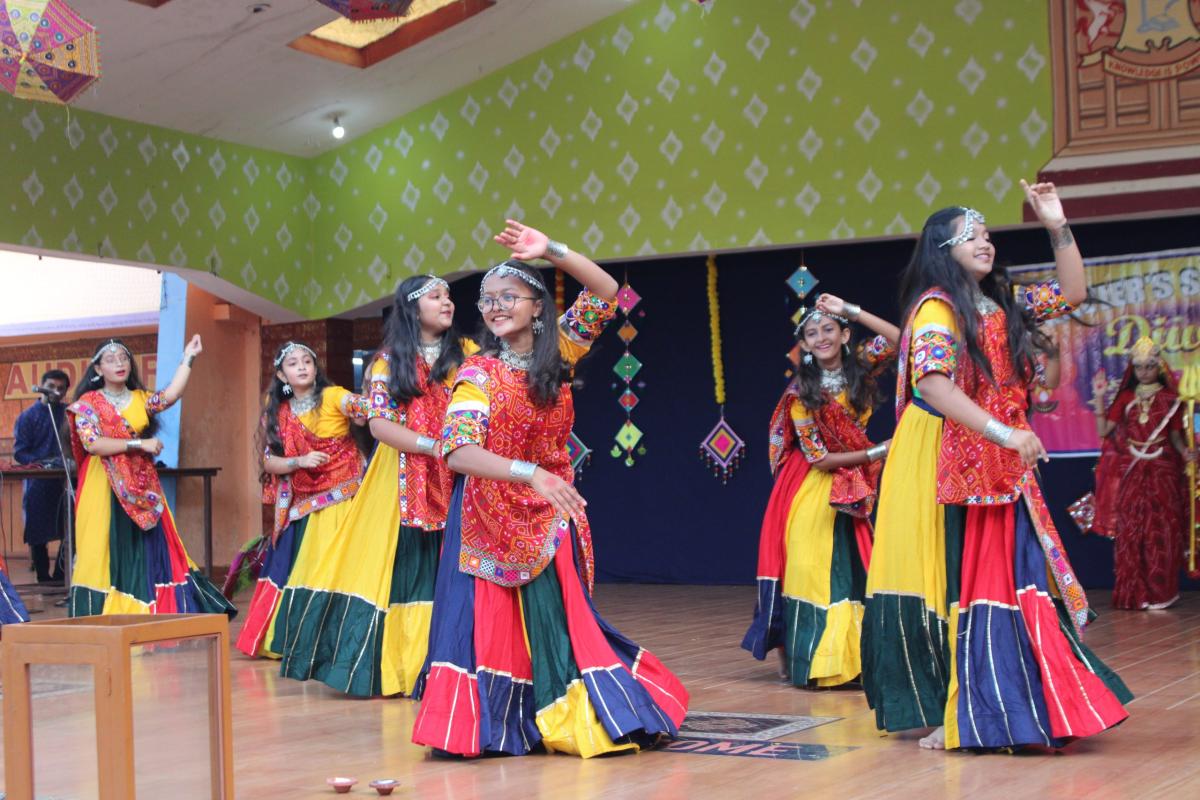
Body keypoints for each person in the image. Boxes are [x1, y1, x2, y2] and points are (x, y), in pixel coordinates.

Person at [861, 182, 1130, 752]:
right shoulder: (937, 308)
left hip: (995, 454)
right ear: (942, 248)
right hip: (945, 454)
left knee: (1006, 573)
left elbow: (1074, 293)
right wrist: (1006, 433)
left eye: (986, 235)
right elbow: (933, 386)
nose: (985, 243)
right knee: (951, 578)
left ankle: (1007, 702)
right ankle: (958, 707)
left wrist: (1056, 224)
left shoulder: (999, 302)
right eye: (970, 236)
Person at [413, 221, 688, 758]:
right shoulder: (478, 374)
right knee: (491, 623)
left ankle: (560, 709)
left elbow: (607, 291)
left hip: (546, 507)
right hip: (489, 512)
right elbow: (457, 452)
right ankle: (493, 723)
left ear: (537, 306)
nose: (495, 308)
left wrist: (551, 251)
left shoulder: (558, 353)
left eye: (508, 297)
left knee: (557, 617)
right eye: (488, 300)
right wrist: (531, 473)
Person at [275, 277, 472, 697]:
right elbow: (380, 426)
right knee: (409, 567)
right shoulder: (387, 363)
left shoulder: (468, 354)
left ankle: (460, 663)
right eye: (436, 296)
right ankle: (410, 665)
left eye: (448, 296)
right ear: (412, 308)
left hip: (461, 470)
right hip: (402, 475)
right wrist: (435, 447)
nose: (447, 303)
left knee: (459, 564)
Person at [742, 294, 898, 688]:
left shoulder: (861, 367)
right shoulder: (802, 393)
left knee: (850, 569)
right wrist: (879, 450)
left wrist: (853, 311)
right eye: (812, 334)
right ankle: (819, 661)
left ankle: (857, 661)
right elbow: (819, 458)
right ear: (805, 345)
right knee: (814, 570)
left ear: (845, 335)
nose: (821, 337)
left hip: (853, 482)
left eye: (829, 329)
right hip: (811, 485)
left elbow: (903, 339)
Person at [66, 337, 235, 617]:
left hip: (142, 484)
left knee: (148, 546)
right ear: (97, 369)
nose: (119, 363)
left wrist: (189, 357)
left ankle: (150, 609)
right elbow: (93, 444)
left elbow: (172, 395)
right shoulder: (88, 404)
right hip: (103, 484)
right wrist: (138, 444)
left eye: (123, 358)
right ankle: (104, 614)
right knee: (103, 546)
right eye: (111, 359)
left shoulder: (140, 399)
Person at [235, 341, 369, 658]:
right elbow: (270, 462)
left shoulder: (333, 396)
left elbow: (364, 410)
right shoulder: (279, 411)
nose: (302, 367)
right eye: (293, 363)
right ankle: (299, 642)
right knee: (298, 570)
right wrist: (300, 461)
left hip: (342, 499)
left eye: (307, 361)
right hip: (302, 506)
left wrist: (371, 394)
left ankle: (337, 645)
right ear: (282, 376)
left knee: (336, 569)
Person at [1092, 336, 1193, 610]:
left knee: (1162, 530)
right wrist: (1099, 396)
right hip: (1132, 470)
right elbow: (1103, 430)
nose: (1144, 372)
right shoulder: (1126, 397)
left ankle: (1161, 594)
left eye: (1149, 366)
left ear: (1158, 366)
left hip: (1163, 471)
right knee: (1131, 530)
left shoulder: (1172, 399)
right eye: (1139, 367)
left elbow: (1176, 437)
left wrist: (1186, 453)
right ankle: (1135, 594)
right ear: (1133, 369)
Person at [13, 369, 71, 584]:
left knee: (70, 530)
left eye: (61, 388)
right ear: (42, 386)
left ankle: (60, 577)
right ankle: (43, 579)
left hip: (65, 481)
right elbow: (20, 452)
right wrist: (43, 463)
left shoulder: (69, 414)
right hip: (38, 481)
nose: (56, 391)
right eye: (51, 386)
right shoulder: (28, 416)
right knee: (37, 533)